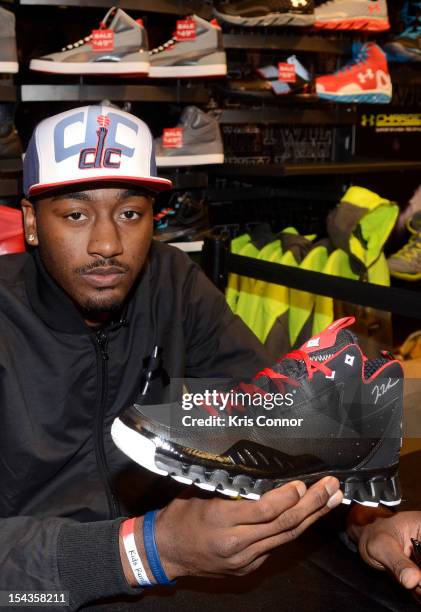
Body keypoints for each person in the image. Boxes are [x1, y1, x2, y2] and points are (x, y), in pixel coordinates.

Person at [0, 104, 343, 610]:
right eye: (75, 214)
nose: (107, 243)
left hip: (167, 574)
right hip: (35, 589)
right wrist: (145, 550)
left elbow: (272, 414)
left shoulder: (172, 282)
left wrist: (360, 525)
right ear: (31, 223)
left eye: (130, 213)